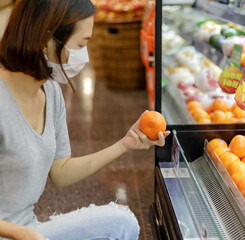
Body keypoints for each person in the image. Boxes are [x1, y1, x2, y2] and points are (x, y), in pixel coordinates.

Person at [0, 0, 170, 239]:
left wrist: (125, 144)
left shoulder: (50, 92)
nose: (85, 58)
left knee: (123, 223)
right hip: (20, 234)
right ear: (45, 38)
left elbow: (61, 172)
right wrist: (20, 233)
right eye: (81, 44)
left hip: (31, 231)